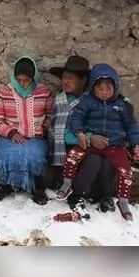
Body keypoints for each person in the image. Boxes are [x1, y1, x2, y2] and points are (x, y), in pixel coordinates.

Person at [56, 63, 139, 221]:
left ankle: (122, 200)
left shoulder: (122, 105)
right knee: (74, 156)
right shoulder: (87, 102)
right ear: (93, 87)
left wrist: (136, 144)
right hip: (90, 144)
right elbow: (76, 120)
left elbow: (132, 126)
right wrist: (81, 134)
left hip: (114, 145)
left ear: (115, 87)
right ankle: (68, 186)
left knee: (124, 169)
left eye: (108, 89)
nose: (104, 93)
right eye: (100, 88)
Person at [47, 55, 117, 213]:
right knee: (93, 160)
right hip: (65, 150)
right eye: (64, 78)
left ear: (83, 80)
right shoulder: (61, 101)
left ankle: (104, 195)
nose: (65, 82)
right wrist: (90, 138)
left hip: (91, 145)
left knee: (110, 158)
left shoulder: (93, 100)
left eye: (70, 78)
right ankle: (76, 195)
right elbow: (61, 133)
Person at [0, 55, 55, 204]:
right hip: (9, 136)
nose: (23, 84)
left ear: (34, 77)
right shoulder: (4, 93)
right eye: (19, 80)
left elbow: (52, 116)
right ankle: (5, 185)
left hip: (35, 137)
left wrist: (41, 129)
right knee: (8, 155)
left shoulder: (44, 93)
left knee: (34, 157)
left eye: (27, 80)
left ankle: (38, 188)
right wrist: (11, 133)